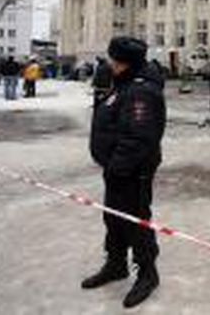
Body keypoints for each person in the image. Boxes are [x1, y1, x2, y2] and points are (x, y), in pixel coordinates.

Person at [83, 37, 166, 308]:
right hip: (117, 169)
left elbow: (140, 137)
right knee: (114, 218)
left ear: (125, 63)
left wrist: (118, 166)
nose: (109, 64)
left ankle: (147, 272)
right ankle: (116, 263)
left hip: (133, 170)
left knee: (136, 221)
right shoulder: (124, 85)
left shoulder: (141, 91)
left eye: (113, 60)